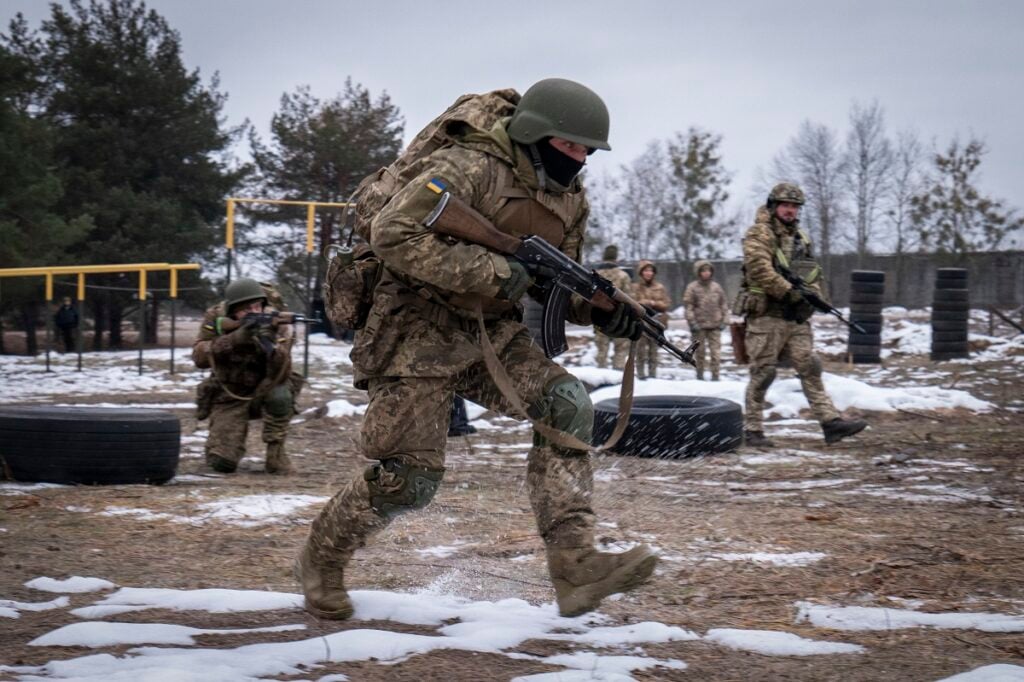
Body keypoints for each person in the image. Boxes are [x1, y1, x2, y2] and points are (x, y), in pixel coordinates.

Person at [296, 78, 656, 621]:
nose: (580, 159)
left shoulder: (569, 198)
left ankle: (576, 566)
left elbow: (554, 284)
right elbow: (394, 232)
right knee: (410, 480)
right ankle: (322, 560)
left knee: (567, 404)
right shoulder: (471, 167)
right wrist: (496, 271)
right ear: (538, 135)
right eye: (571, 146)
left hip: (491, 334)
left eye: (588, 151)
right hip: (413, 329)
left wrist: (607, 312)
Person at [739, 183, 867, 447]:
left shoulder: (801, 238)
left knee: (810, 367)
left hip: (795, 318)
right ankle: (752, 429)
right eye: (786, 205)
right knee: (763, 373)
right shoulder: (759, 233)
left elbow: (811, 272)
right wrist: (791, 292)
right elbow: (759, 269)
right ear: (774, 206)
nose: (790, 211)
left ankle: (831, 423)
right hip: (766, 316)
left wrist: (815, 298)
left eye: (795, 207)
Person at [191, 278, 303, 474]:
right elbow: (199, 357)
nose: (254, 312)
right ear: (233, 310)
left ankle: (276, 453)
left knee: (281, 395)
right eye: (246, 309)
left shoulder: (276, 322)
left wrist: (271, 345)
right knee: (222, 464)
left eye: (257, 306)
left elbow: (282, 372)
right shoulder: (216, 317)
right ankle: (223, 447)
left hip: (264, 389)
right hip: (229, 394)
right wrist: (234, 339)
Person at [682, 260, 729, 381]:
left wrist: (725, 320)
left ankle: (715, 377)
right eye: (703, 270)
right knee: (700, 354)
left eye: (708, 270)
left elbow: (723, 304)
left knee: (716, 354)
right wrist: (692, 322)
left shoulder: (716, 287)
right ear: (698, 272)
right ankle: (700, 376)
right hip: (699, 327)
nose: (706, 273)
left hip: (715, 326)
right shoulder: (692, 288)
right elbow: (689, 307)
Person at [592, 245, 633, 370]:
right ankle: (617, 378)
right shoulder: (623, 276)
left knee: (601, 351)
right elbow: (629, 299)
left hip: (598, 317)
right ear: (616, 258)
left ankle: (601, 378)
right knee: (620, 350)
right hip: (618, 319)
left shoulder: (595, 275)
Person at [631, 260, 671, 379]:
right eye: (646, 270)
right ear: (641, 273)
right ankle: (641, 375)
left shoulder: (660, 287)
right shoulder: (635, 287)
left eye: (651, 270)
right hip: (641, 323)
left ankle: (653, 376)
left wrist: (653, 302)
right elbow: (632, 303)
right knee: (640, 351)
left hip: (656, 323)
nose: (649, 273)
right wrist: (643, 303)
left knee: (654, 352)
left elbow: (666, 304)